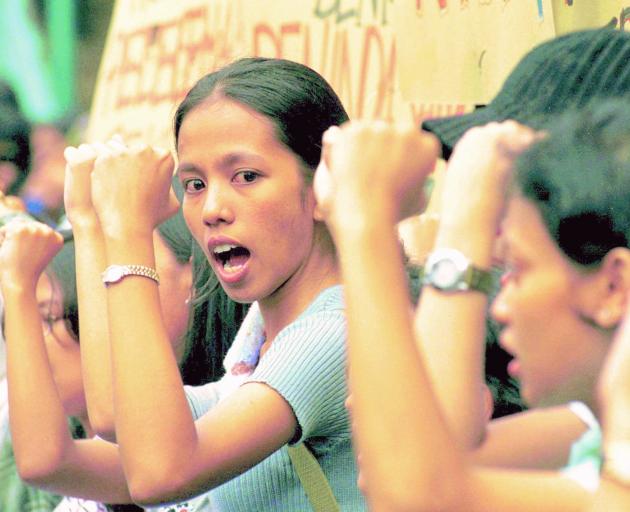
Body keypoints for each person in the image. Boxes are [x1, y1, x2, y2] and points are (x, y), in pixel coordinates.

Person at [79, 57, 364, 511]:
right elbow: (115, 416)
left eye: (246, 176)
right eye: (193, 184)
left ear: (324, 185)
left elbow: (161, 472)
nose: (212, 208)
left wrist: (130, 233)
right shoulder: (258, 353)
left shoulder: (335, 332)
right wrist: (88, 223)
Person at [316, 99, 630, 510]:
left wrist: (366, 219)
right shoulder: (589, 430)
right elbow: (428, 457)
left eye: (518, 269)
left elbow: (417, 494)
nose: (498, 308)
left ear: (612, 287)